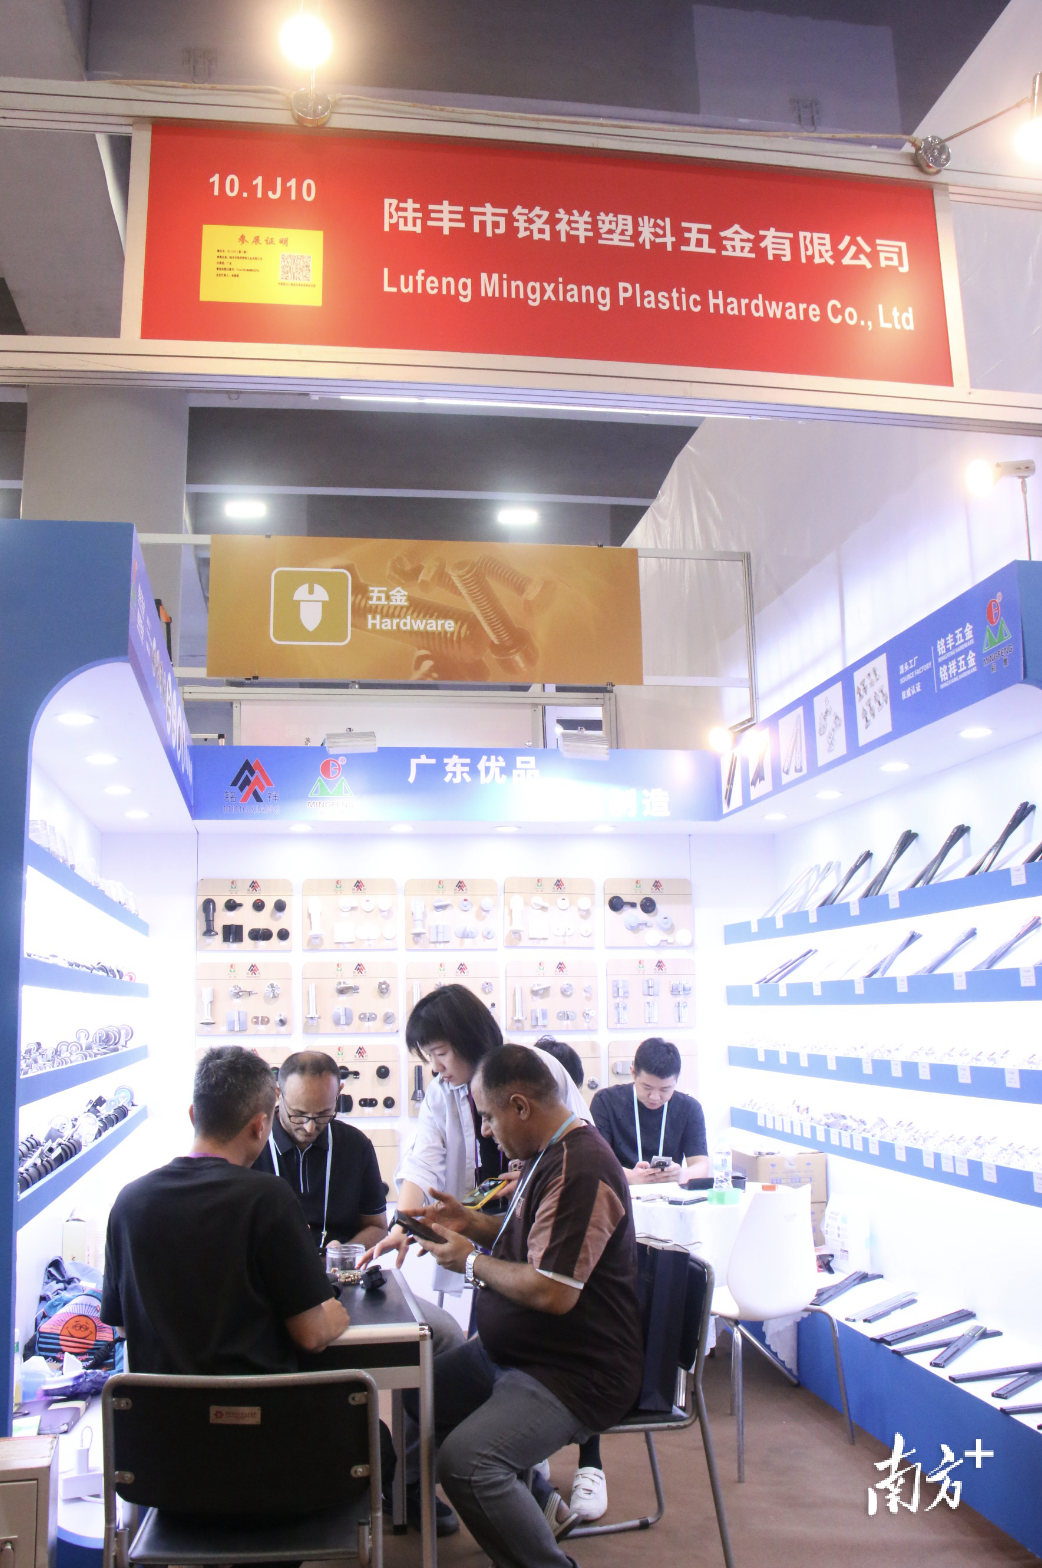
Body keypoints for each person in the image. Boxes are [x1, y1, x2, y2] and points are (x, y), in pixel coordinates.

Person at [406, 1045, 643, 1568]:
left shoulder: (580, 1168)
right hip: (520, 1352)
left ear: (519, 1106)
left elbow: (552, 1291)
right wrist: (473, 1223)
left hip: (574, 1370)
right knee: (419, 1395)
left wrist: (469, 1261)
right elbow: (536, 1240)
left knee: (467, 1464)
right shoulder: (548, 1154)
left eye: (489, 1118)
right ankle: (536, 1507)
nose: (486, 1131)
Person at [101, 1046, 348, 1374]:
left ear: (193, 1115)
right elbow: (311, 1336)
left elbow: (121, 1327)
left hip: (157, 1406)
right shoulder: (269, 1199)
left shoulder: (129, 1202)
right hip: (253, 1404)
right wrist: (334, 1315)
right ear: (261, 1126)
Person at [376, 986, 592, 1279]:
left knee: (541, 1279)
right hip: (487, 1224)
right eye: (429, 1056)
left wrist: (533, 1178)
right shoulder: (441, 1092)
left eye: (441, 1053)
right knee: (495, 1284)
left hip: (547, 1213)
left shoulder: (534, 1067)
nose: (436, 1067)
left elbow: (578, 1138)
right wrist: (402, 1226)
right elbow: (422, 1162)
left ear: (468, 1040)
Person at [253, 1050, 388, 1251]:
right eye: (298, 1114)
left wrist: (344, 1253)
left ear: (338, 1093)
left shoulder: (356, 1145)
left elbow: (377, 1227)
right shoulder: (252, 1143)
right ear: (278, 1094)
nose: (310, 1127)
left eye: (323, 1114)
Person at [591, 1036, 710, 1185]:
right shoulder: (605, 1102)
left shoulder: (690, 1108)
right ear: (633, 1073)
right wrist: (630, 1177)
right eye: (646, 1087)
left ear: (676, 1080)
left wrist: (681, 1175)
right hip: (621, 1192)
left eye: (664, 1089)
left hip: (669, 1195)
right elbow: (596, 1163)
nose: (654, 1097)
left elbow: (701, 1166)